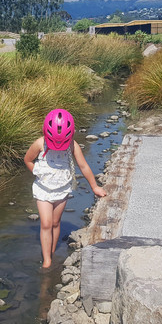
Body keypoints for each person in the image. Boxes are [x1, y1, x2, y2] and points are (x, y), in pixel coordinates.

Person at [24, 108, 107, 267]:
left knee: (55, 222)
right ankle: (47, 261)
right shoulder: (40, 143)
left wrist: (94, 187)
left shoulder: (72, 145)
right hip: (43, 190)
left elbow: (83, 166)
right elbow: (28, 159)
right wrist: (37, 172)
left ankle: (52, 251)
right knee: (46, 223)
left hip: (62, 189)